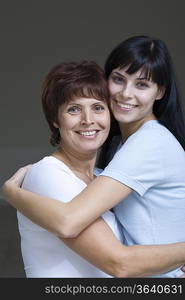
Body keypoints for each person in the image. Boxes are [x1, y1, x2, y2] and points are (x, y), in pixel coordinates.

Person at [3, 35, 185, 278]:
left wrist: (11, 192)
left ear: (160, 91)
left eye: (142, 84)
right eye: (119, 80)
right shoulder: (58, 172)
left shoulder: (149, 143)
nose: (126, 94)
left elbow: (70, 223)